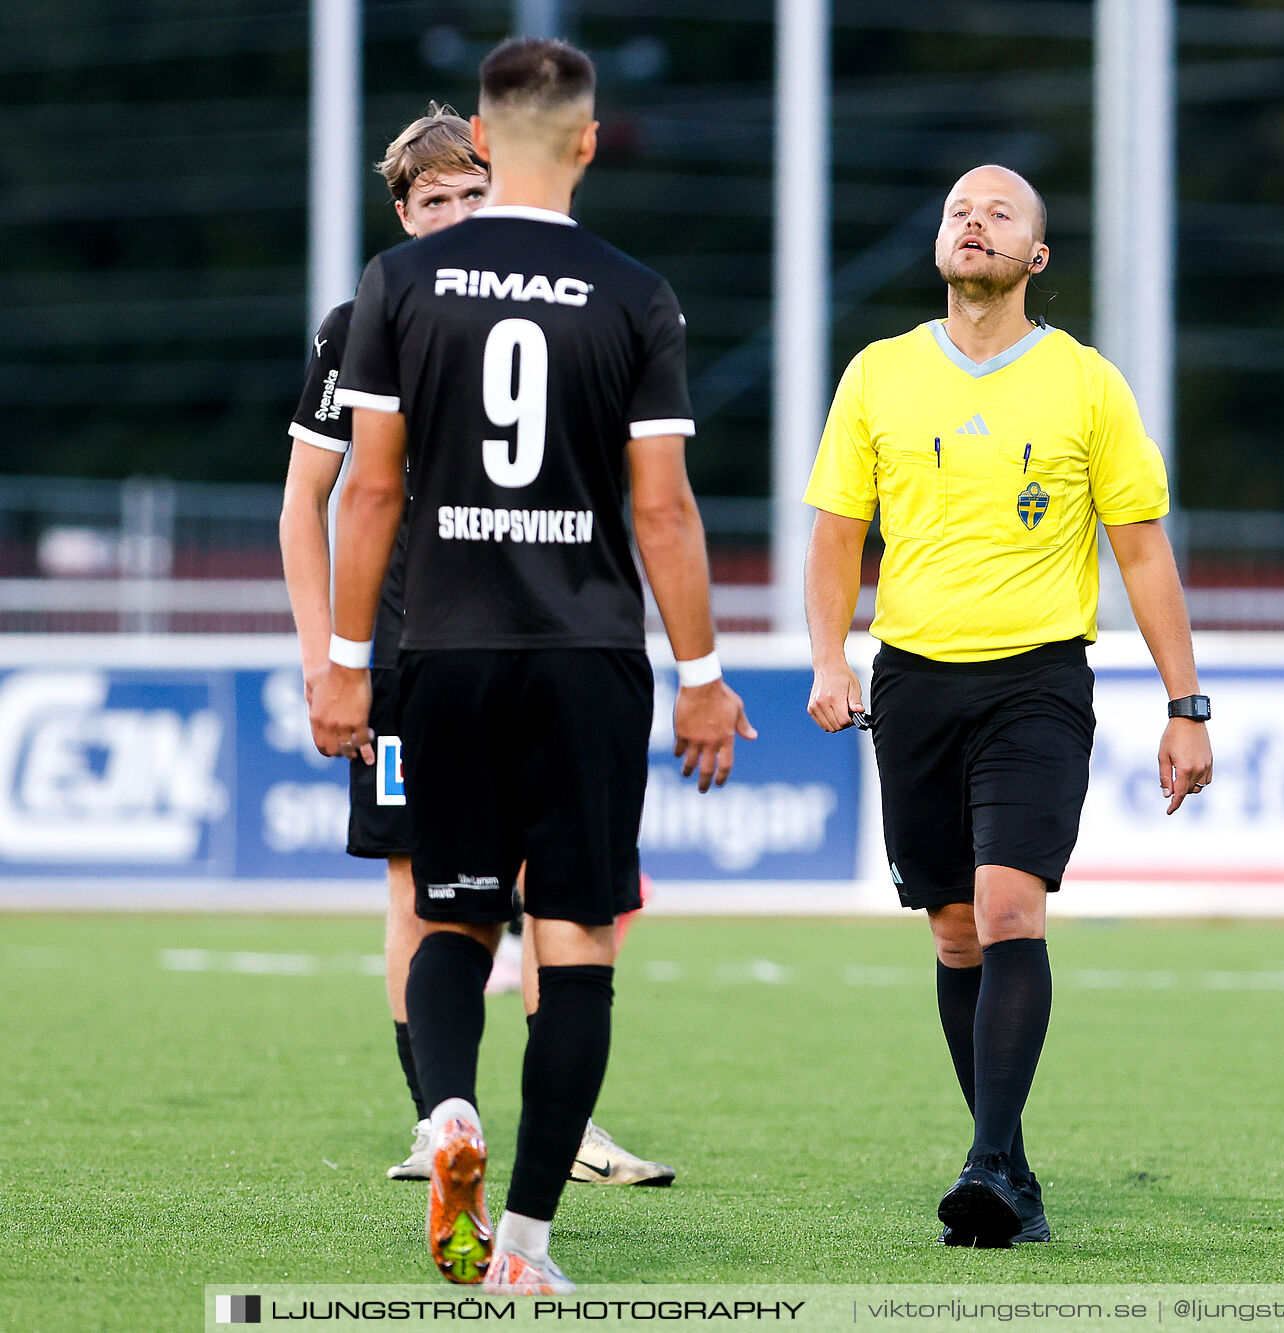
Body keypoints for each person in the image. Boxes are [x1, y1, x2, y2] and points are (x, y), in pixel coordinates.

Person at [310, 38, 753, 1294]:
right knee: (577, 944)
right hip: (586, 660)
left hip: (443, 652)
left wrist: (347, 662)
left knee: (448, 914)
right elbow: (662, 512)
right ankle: (526, 1244)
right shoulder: (633, 294)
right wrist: (706, 673)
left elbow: (371, 490)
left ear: (487, 146)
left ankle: (447, 1108)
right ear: (591, 143)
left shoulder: (400, 282)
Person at [803, 164, 1213, 1249]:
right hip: (912, 683)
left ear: (1036, 257)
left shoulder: (1086, 384)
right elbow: (837, 536)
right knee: (951, 932)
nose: (971, 222)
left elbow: (1140, 549)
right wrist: (828, 660)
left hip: (1037, 680)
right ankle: (1012, 1164)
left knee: (1005, 907)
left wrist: (1188, 702)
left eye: (999, 213)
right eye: (955, 210)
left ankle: (985, 1162)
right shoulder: (879, 376)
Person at [281, 104, 672, 1191]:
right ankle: (436, 1122)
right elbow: (306, 503)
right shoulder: (365, 320)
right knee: (419, 890)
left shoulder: (563, 307)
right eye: (434, 199)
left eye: (472, 193)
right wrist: (330, 656)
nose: (456, 213)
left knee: (573, 891)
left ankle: (564, 1121)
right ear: (404, 215)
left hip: (550, 646)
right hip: (413, 655)